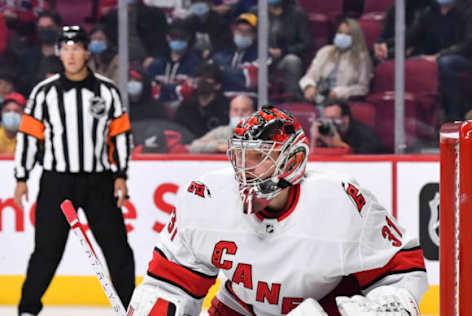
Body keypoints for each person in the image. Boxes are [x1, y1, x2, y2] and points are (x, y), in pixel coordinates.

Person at [127, 106, 428, 316]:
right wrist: (158, 306)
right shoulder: (206, 196)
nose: (245, 168)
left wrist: (388, 304)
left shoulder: (341, 202)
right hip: (240, 309)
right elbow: (172, 282)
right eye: (241, 156)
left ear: (294, 160)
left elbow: (400, 271)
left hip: (323, 308)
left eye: (259, 156)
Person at [13, 26, 135, 316]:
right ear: (59, 52)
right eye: (65, 48)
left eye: (76, 47)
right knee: (46, 251)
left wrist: (121, 175)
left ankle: (132, 308)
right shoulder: (44, 93)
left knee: (117, 249)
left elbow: (120, 135)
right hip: (57, 180)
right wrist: (21, 177)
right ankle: (28, 310)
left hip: (99, 181)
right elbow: (29, 136)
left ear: (86, 52)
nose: (70, 54)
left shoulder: (107, 91)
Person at [404, 0, 472, 121]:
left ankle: (453, 113)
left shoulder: (469, 13)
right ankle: (421, 117)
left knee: (444, 63)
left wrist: (439, 55)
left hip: (463, 58)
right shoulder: (429, 12)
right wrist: (385, 46)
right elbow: (410, 37)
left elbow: (469, 44)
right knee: (414, 62)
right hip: (434, 57)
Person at [299, 18, 372, 105]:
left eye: (347, 34)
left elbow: (363, 88)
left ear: (355, 38)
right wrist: (309, 86)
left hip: (341, 101)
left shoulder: (362, 58)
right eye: (340, 32)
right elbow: (309, 76)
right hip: (317, 97)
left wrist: (339, 92)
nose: (342, 36)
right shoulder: (325, 51)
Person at [251, 0, 313, 97]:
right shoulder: (255, 12)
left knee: (292, 61)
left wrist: (284, 51)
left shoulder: (297, 14)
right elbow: (249, 37)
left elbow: (307, 43)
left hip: (284, 57)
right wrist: (265, 50)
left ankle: (293, 97)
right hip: (259, 57)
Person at [174, 62, 229, 138]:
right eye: (199, 78)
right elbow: (177, 131)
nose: (202, 82)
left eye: (207, 79)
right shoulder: (186, 106)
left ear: (217, 85)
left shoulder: (226, 107)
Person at [212, 13, 260, 97]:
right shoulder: (224, 53)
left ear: (254, 35)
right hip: (222, 99)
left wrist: (222, 70)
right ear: (234, 31)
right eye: (239, 30)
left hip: (248, 99)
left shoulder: (261, 55)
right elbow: (209, 74)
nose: (242, 34)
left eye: (247, 31)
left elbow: (249, 82)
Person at [311, 99, 384, 154]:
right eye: (326, 119)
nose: (329, 123)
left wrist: (340, 145)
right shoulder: (325, 131)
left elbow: (362, 164)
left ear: (346, 119)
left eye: (333, 118)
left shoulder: (366, 135)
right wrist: (314, 141)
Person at [188, 94, 255, 153]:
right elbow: (194, 146)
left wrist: (221, 142)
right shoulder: (221, 131)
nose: (240, 114)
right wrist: (218, 146)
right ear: (230, 113)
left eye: (245, 110)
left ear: (253, 114)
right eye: (235, 110)